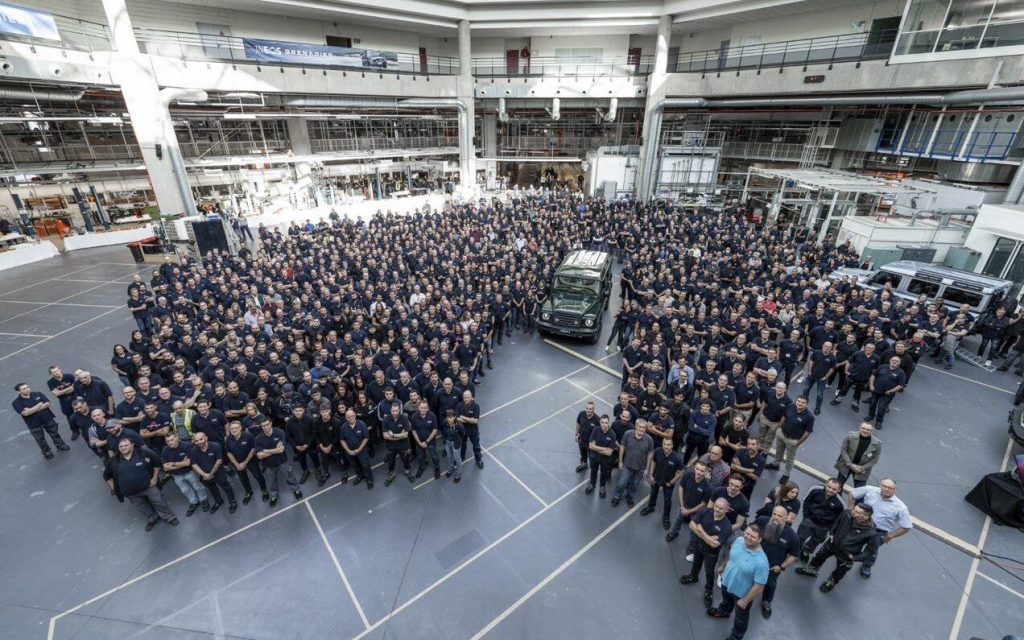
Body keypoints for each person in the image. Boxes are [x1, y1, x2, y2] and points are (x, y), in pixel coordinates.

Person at [795, 503, 879, 592]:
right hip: (832, 544)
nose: (852, 512)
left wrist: (855, 558)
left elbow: (871, 550)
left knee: (840, 571)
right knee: (818, 557)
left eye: (857, 512)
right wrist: (831, 533)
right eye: (854, 509)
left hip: (846, 555)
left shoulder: (872, 532)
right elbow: (837, 522)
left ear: (865, 517)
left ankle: (831, 582)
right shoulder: (847, 513)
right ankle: (812, 571)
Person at [707, 524, 770, 640]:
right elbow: (731, 555)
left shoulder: (762, 562)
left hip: (742, 594)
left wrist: (745, 601)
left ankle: (736, 636)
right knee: (726, 600)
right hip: (727, 582)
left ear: (760, 539)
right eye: (747, 533)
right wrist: (723, 566)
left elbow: (759, 587)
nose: (748, 537)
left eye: (753, 536)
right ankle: (724, 612)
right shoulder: (739, 540)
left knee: (741, 618)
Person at [103, 437, 178, 531]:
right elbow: (106, 476)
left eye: (126, 445)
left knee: (159, 502)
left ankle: (169, 517)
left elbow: (157, 463)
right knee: (142, 508)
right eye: (121, 446)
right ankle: (152, 518)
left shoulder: (143, 453)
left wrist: (154, 478)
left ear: (132, 445)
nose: (123, 448)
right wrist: (115, 488)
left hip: (149, 487)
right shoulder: (113, 461)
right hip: (130, 493)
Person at [849, 479, 913, 579]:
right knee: (853, 542)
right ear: (880, 485)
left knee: (872, 550)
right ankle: (848, 558)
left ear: (895, 489)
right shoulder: (869, 490)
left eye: (890, 488)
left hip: (878, 532)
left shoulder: (901, 507)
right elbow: (852, 494)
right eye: (884, 486)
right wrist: (851, 510)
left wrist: (890, 536)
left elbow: (907, 526)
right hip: (862, 525)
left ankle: (867, 566)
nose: (886, 489)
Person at [680, 497, 734, 609]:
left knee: (709, 572)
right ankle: (693, 577)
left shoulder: (727, 526)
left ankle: (708, 591)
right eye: (716, 506)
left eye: (721, 508)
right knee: (696, 563)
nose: (717, 509)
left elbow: (714, 544)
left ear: (726, 510)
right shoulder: (706, 511)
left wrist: (700, 529)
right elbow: (691, 525)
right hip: (698, 545)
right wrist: (708, 538)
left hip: (711, 553)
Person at [753, 505, 799, 619]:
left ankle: (766, 601)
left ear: (786, 518)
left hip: (772, 567)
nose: (776, 517)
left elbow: (794, 555)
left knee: (770, 585)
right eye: (774, 514)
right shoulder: (762, 521)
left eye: (780, 516)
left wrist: (782, 566)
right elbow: (751, 532)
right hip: (754, 560)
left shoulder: (792, 536)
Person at [764, 395, 814, 486]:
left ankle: (786, 474)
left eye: (803, 402)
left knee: (789, 458)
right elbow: (784, 417)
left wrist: (798, 443)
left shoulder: (809, 417)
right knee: (779, 451)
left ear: (807, 404)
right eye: (798, 401)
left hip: (793, 440)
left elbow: (807, 432)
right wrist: (778, 429)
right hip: (781, 434)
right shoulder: (791, 406)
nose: (800, 403)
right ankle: (775, 464)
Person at [12, 382, 70, 459]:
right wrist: (39, 405)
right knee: (40, 439)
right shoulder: (16, 402)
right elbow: (25, 413)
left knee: (54, 433)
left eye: (27, 387)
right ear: (18, 392)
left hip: (48, 418)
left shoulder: (37, 394)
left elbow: (48, 403)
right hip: (34, 424)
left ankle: (60, 445)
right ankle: (47, 452)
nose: (27, 389)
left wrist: (31, 410)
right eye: (24, 389)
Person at [255, 416, 303, 504]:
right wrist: (275, 450)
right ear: (261, 427)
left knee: (289, 476)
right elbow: (260, 456)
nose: (266, 427)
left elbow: (281, 450)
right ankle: (274, 495)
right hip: (268, 464)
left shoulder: (280, 432)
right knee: (272, 481)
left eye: (267, 424)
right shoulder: (258, 438)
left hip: (282, 461)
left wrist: (266, 450)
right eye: (263, 426)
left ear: (271, 423)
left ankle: (296, 489)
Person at [161, 430, 210, 516]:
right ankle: (194, 502)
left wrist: (172, 464)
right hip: (176, 475)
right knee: (185, 490)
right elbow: (165, 467)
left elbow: (188, 463)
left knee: (197, 487)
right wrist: (181, 464)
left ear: (176, 438)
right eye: (168, 441)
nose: (170, 442)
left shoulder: (185, 445)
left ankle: (204, 499)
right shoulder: (165, 450)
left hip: (189, 472)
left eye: (172, 440)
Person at [796, 478, 846, 562]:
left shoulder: (841, 503)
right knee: (800, 537)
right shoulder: (815, 489)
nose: (830, 490)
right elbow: (807, 501)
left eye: (834, 489)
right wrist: (806, 515)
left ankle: (806, 551)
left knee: (815, 541)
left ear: (839, 490)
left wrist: (830, 529)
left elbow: (839, 519)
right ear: (826, 484)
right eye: (829, 486)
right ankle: (796, 551)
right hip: (809, 520)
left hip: (823, 527)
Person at [641, 435, 684, 529]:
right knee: (653, 494)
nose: (666, 446)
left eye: (668, 445)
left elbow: (679, 473)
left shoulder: (677, 458)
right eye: (664, 444)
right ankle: (651, 507)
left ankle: (666, 517)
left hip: (668, 482)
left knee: (667, 500)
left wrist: (671, 482)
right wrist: (651, 474)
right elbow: (654, 462)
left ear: (672, 446)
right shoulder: (657, 451)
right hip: (656, 478)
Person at [189, 431, 237, 514]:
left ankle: (232, 501)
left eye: (201, 439)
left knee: (226, 487)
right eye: (196, 441)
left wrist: (210, 474)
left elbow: (219, 461)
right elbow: (194, 465)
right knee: (212, 489)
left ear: (206, 438)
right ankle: (219, 501)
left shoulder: (215, 446)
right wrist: (204, 474)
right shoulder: (193, 451)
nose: (199, 442)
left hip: (218, 473)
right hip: (204, 475)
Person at [611, 419, 654, 508]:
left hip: (640, 468)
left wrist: (647, 468)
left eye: (644, 427)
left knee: (634, 484)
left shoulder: (649, 439)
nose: (642, 429)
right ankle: (616, 496)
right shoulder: (628, 434)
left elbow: (650, 454)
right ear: (636, 426)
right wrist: (620, 461)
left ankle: (630, 496)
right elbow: (622, 447)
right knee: (622, 483)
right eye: (640, 427)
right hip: (627, 465)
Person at [666, 460, 712, 542]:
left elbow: (703, 504)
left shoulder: (708, 487)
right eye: (697, 469)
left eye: (702, 471)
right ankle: (673, 533)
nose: (699, 472)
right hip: (683, 506)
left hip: (696, 512)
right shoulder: (687, 475)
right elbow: (681, 488)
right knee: (678, 520)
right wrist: (682, 506)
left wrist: (689, 511)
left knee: (694, 529)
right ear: (694, 468)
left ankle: (691, 545)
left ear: (705, 472)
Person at [225, 420, 269, 503]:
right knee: (243, 479)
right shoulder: (228, 439)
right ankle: (249, 492)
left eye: (236, 428)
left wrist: (245, 462)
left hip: (251, 460)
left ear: (241, 428)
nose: (234, 430)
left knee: (258, 476)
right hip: (237, 463)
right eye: (232, 429)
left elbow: (253, 449)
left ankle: (264, 490)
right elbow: (229, 452)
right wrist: (236, 464)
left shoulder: (248, 435)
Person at [834, 422, 882, 489]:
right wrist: (850, 464)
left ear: (872, 431)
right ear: (859, 428)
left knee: (860, 492)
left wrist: (861, 468)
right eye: (863, 428)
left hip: (861, 470)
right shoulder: (850, 436)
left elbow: (874, 460)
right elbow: (843, 450)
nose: (865, 431)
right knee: (838, 487)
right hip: (846, 465)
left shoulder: (877, 444)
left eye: (868, 430)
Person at [866, 355, 906, 430]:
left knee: (881, 407)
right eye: (893, 360)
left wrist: (891, 391)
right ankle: (870, 416)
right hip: (875, 390)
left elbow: (901, 385)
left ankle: (879, 421)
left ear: (899, 363)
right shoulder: (883, 366)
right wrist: (871, 385)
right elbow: (873, 375)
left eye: (897, 361)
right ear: (890, 361)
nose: (894, 362)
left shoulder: (901, 372)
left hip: (887, 394)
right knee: (872, 404)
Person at [340, 409, 373, 489]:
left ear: (355, 415)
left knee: (365, 465)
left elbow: (366, 438)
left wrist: (359, 449)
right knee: (355, 465)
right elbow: (342, 440)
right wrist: (348, 451)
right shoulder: (343, 427)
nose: (350, 418)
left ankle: (369, 479)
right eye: (348, 417)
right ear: (346, 418)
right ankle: (360, 476)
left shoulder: (362, 424)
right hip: (350, 452)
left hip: (362, 451)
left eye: (352, 416)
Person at [585, 414, 617, 499]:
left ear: (608, 423)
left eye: (606, 423)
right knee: (593, 472)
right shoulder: (595, 430)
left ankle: (602, 487)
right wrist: (604, 449)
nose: (604, 424)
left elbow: (609, 453)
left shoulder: (612, 434)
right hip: (594, 458)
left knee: (603, 474)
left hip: (605, 460)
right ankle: (592, 484)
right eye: (602, 422)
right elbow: (591, 446)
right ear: (600, 422)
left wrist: (596, 448)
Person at [411, 399, 441, 480]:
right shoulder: (414, 417)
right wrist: (419, 443)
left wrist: (427, 441)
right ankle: (421, 468)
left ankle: (437, 469)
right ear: (418, 408)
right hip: (419, 443)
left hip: (431, 442)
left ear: (427, 408)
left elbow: (435, 430)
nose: (423, 409)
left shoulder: (432, 416)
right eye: (422, 408)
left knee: (434, 456)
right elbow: (413, 431)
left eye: (425, 408)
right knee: (420, 457)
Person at [46, 365, 78, 438]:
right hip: (64, 401)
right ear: (51, 374)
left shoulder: (69, 376)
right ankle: (75, 431)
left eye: (57, 370)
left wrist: (62, 391)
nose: (56, 373)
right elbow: (56, 393)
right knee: (69, 416)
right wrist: (69, 388)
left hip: (75, 397)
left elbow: (75, 387)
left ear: (60, 369)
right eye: (54, 372)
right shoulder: (50, 382)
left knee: (82, 411)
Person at [457, 389, 484, 469]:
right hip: (463, 430)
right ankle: (462, 456)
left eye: (468, 397)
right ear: (463, 397)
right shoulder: (459, 405)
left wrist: (463, 417)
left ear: (471, 397)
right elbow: (458, 418)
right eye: (465, 397)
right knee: (463, 444)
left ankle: (478, 459)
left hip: (473, 431)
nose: (466, 399)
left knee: (476, 446)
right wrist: (470, 419)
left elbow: (475, 421)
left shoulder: (476, 406)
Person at [574, 401, 601, 473]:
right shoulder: (581, 414)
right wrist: (576, 434)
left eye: (590, 409)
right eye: (587, 408)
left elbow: (599, 433)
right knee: (583, 454)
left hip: (590, 444)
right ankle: (584, 464)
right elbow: (578, 423)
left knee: (592, 457)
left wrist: (595, 444)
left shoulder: (597, 420)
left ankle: (593, 470)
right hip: (581, 440)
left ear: (593, 409)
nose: (588, 410)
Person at [440, 409, 464, 483]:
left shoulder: (459, 425)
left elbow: (462, 434)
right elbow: (443, 432)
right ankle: (450, 468)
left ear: (454, 417)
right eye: (448, 417)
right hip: (448, 442)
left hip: (456, 444)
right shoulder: (444, 423)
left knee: (457, 459)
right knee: (449, 456)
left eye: (451, 417)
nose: (449, 419)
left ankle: (459, 473)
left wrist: (457, 441)